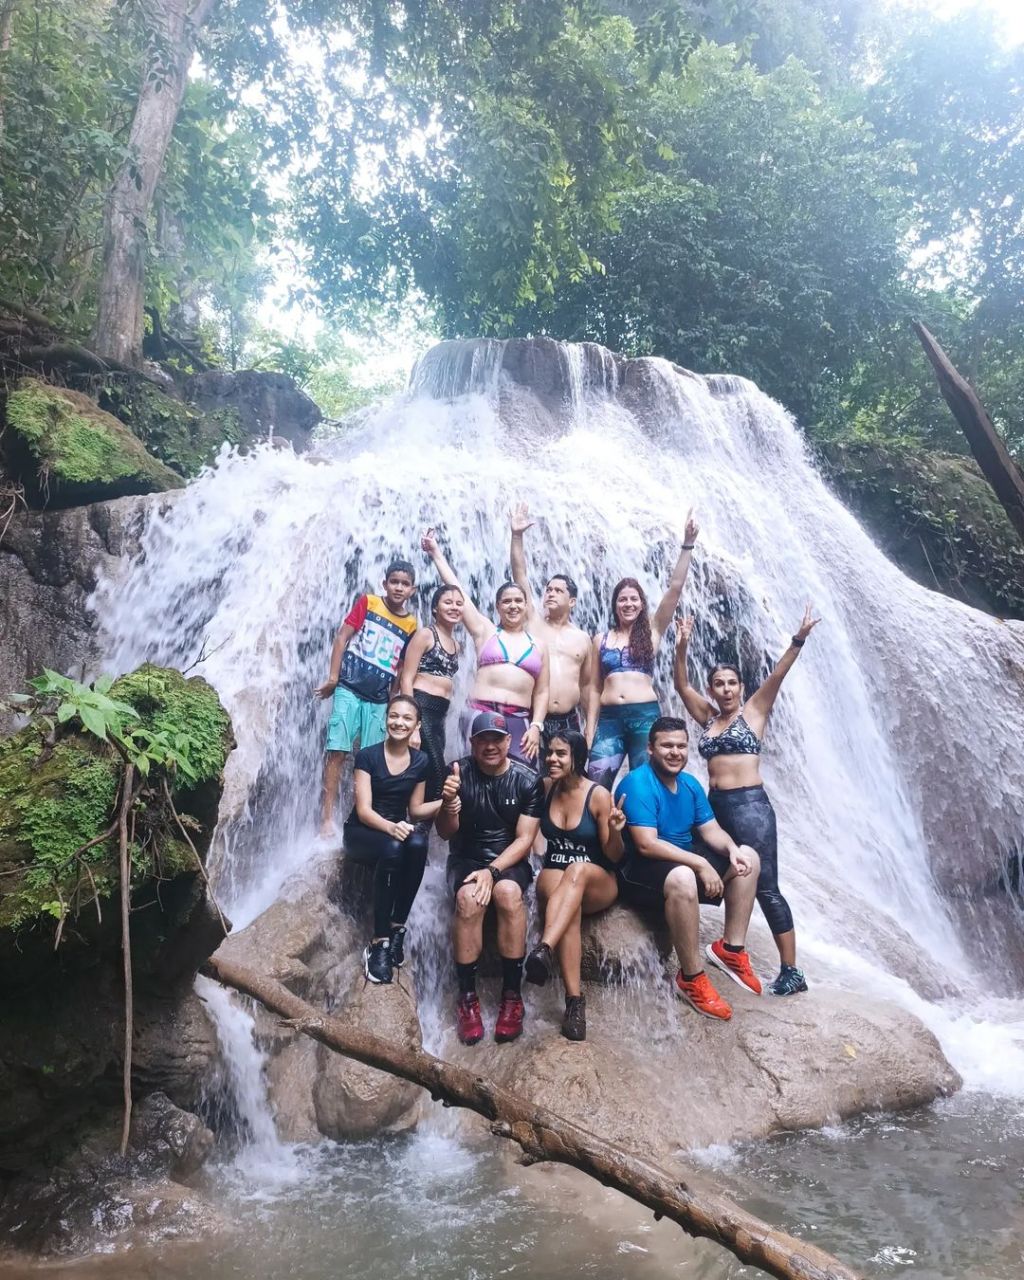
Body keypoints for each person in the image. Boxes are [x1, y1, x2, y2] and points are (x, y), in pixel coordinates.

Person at [673, 606, 820, 996]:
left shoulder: (754, 711)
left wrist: (798, 638)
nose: (725, 689)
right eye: (718, 683)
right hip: (715, 807)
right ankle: (729, 945)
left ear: (740, 687)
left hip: (751, 808)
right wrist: (682, 646)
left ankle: (792, 969)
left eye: (731, 683)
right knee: (713, 867)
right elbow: (680, 685)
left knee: (767, 884)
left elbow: (778, 673)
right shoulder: (706, 717)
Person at [615, 716, 761, 1021]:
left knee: (748, 857)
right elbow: (646, 844)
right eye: (667, 745)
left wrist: (732, 850)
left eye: (681, 745)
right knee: (683, 876)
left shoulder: (690, 784)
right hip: (640, 871)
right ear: (650, 748)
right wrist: (700, 862)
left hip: (680, 861)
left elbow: (711, 831)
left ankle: (731, 950)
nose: (675, 752)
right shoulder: (637, 783)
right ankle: (692, 978)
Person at [436, 710, 545, 1045]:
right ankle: (467, 998)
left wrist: (492, 871)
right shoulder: (457, 773)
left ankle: (512, 997)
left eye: (497, 739)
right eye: (483, 739)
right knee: (469, 898)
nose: (490, 746)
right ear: (473, 743)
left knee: (508, 893)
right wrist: (448, 803)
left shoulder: (528, 779)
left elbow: (525, 840)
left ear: (508, 741)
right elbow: (444, 833)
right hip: (465, 857)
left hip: (508, 860)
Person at [523, 730, 626, 1041]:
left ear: (578, 759)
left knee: (576, 871)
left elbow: (614, 856)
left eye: (561, 754)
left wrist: (616, 830)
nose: (552, 759)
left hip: (597, 880)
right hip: (558, 881)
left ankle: (544, 947)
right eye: (549, 753)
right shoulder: (545, 787)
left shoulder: (598, 795)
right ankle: (574, 1003)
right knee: (563, 895)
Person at [586, 512, 700, 789]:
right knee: (596, 781)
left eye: (633, 599)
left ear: (641, 603)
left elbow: (675, 589)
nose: (628, 604)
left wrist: (687, 544)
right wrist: (590, 728)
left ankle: (642, 831)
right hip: (609, 719)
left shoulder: (652, 632)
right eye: (622, 599)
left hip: (644, 718)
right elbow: (592, 687)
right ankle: (602, 832)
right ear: (614, 605)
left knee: (645, 783)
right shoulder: (600, 639)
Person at [421, 528, 549, 767]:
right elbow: (457, 588)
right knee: (471, 775)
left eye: (518, 601)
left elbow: (542, 691)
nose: (513, 606)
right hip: (479, 712)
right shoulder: (485, 630)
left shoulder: (539, 644)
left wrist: (536, 726)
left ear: (526, 605)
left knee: (522, 774)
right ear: (498, 606)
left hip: (518, 718)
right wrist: (436, 552)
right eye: (507, 601)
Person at [342, 695, 441, 984]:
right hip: (362, 832)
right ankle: (379, 942)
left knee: (419, 843)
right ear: (386, 719)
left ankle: (398, 927)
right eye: (394, 716)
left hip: (394, 831)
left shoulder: (421, 761)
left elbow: (416, 810)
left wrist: (447, 801)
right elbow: (363, 810)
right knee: (395, 846)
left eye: (407, 718)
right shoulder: (368, 756)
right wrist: (390, 827)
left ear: (417, 725)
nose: (399, 722)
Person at [316, 561, 418, 834]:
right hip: (349, 688)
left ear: (412, 590)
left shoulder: (411, 624)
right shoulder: (369, 603)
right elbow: (342, 638)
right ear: (385, 583)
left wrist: (394, 700)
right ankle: (326, 818)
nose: (398, 587)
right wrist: (333, 678)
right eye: (394, 581)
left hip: (378, 699)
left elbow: (400, 666)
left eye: (404, 583)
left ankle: (359, 817)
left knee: (372, 761)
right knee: (337, 750)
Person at [508, 502, 592, 740]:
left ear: (572, 601)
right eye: (548, 589)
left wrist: (591, 726)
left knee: (569, 777)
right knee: (534, 776)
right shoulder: (532, 621)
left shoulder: (583, 638)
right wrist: (516, 536)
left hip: (570, 719)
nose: (550, 593)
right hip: (534, 717)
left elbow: (587, 687)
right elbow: (520, 574)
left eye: (558, 590)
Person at [399, 584, 465, 801]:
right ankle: (422, 826)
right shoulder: (426, 635)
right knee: (437, 770)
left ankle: (418, 821)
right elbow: (406, 678)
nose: (454, 607)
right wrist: (412, 723)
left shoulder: (457, 644)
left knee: (429, 768)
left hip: (440, 715)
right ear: (435, 608)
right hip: (422, 707)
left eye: (458, 603)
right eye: (448, 602)